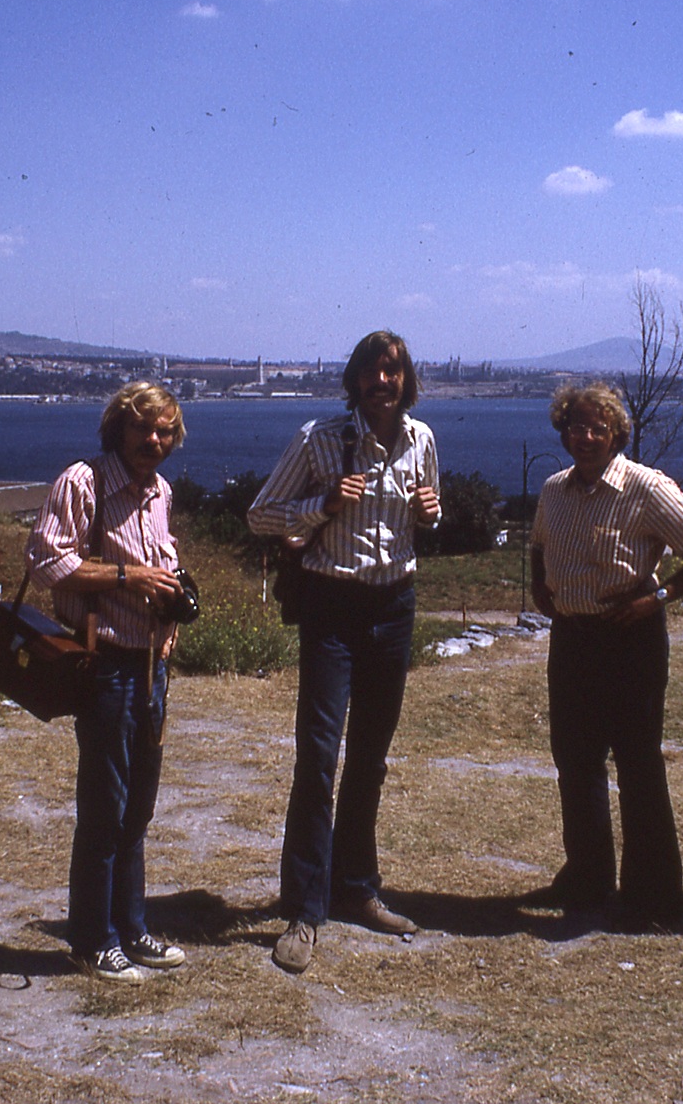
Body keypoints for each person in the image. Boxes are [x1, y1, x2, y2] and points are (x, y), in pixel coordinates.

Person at [247, 330, 441, 974]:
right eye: (371, 373)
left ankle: (357, 889)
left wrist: (431, 513)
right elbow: (260, 515)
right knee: (320, 754)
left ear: (406, 382)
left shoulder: (422, 441)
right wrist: (320, 505)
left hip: (393, 608)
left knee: (371, 758)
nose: (382, 383)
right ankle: (304, 908)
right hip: (332, 608)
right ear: (355, 380)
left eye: (393, 373)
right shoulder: (319, 439)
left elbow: (422, 516)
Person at [527, 384, 683, 927]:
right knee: (576, 763)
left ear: (617, 434)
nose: (586, 437)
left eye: (599, 428)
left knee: (638, 766)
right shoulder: (554, 489)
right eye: (576, 427)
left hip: (630, 641)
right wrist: (539, 588)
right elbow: (540, 544)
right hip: (572, 639)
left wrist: (657, 597)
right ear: (563, 431)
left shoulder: (646, 487)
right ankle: (588, 877)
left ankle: (652, 894)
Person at [27, 381, 191, 984]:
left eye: (165, 431)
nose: (154, 440)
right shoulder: (84, 482)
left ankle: (132, 928)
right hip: (108, 667)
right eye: (143, 428)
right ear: (118, 428)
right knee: (105, 807)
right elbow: (47, 562)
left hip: (152, 667)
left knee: (138, 809)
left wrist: (170, 604)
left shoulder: (159, 491)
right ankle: (92, 939)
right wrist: (129, 579)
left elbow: (161, 563)